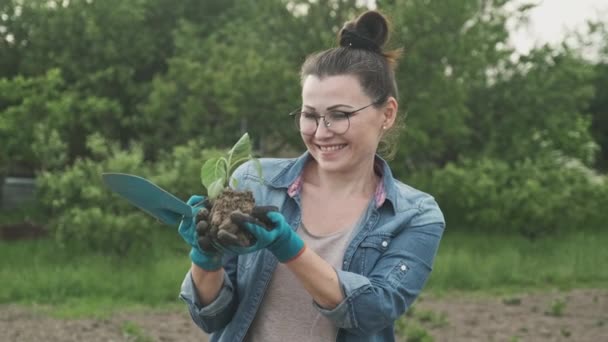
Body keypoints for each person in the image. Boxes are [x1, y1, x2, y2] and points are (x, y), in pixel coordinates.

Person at [177, 10, 445, 342]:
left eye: (340, 115)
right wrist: (206, 258)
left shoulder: (414, 215)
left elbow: (372, 310)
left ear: (386, 114)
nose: (321, 132)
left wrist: (288, 246)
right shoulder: (254, 183)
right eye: (310, 115)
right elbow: (212, 317)